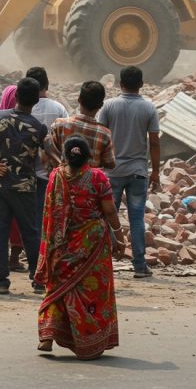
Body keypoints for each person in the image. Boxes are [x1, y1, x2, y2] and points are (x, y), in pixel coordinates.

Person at [36, 135, 125, 359]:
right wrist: (119, 235)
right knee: (92, 292)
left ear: (65, 156)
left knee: (57, 290)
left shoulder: (56, 176)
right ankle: (88, 340)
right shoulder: (97, 177)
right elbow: (110, 211)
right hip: (91, 244)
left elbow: (49, 212)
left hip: (60, 245)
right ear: (89, 156)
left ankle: (47, 336)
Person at [0, 77, 50, 294]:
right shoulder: (38, 127)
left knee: (0, 233)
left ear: (15, 96)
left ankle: (1, 281)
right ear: (36, 100)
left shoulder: (0, 118)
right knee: (31, 233)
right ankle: (37, 281)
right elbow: (47, 156)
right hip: (25, 187)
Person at [97, 66, 161, 278]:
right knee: (136, 219)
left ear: (120, 84)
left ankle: (104, 263)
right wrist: (155, 172)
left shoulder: (108, 106)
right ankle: (140, 265)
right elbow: (154, 142)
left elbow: (100, 138)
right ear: (141, 85)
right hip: (138, 172)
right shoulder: (149, 108)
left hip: (111, 172)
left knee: (107, 218)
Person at [47, 81, 115, 170]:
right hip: (89, 183)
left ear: (79, 99)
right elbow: (110, 164)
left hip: (62, 182)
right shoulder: (104, 134)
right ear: (101, 105)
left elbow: (48, 149)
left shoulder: (59, 124)